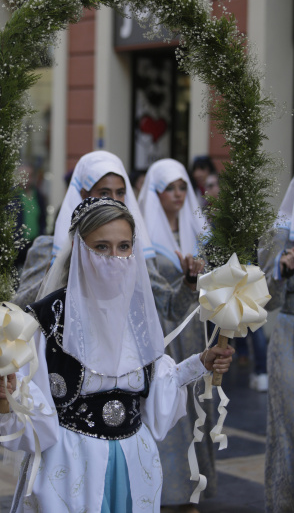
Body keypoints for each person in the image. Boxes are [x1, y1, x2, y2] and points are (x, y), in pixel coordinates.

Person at [0, 197, 234, 513]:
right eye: (101, 247)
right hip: (71, 461)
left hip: (134, 457)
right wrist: (10, 396)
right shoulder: (48, 319)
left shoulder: (138, 315)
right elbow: (29, 395)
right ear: (78, 249)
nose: (114, 257)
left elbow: (156, 381)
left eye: (124, 246)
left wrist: (199, 364)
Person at [14, 151, 201, 325]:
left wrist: (189, 282)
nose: (113, 200)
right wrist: (57, 271)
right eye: (104, 193)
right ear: (83, 195)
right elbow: (19, 308)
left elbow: (171, 309)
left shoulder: (131, 251)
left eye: (120, 192)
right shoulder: (47, 248)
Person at [138, 158, 213, 512]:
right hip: (166, 334)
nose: (179, 194)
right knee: (168, 406)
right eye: (171, 188)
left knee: (199, 404)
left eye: (183, 187)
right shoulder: (145, 236)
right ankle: (171, 490)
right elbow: (157, 298)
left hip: (196, 331)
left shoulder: (194, 229)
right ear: (156, 192)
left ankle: (198, 482)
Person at [258, 176, 294, 513]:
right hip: (290, 337)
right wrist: (283, 269)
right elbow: (264, 296)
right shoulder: (284, 228)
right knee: (288, 427)